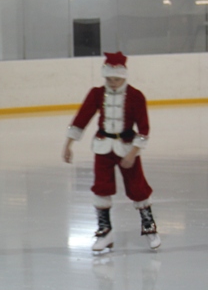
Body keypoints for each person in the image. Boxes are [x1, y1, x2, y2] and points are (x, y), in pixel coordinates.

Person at [62, 52, 161, 252]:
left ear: (124, 76)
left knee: (138, 188)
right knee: (101, 188)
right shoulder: (97, 94)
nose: (113, 83)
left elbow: (144, 129)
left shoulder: (135, 96)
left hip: (127, 147)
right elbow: (82, 118)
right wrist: (68, 144)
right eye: (109, 79)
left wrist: (133, 153)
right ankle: (104, 231)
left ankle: (149, 227)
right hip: (103, 146)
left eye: (117, 79)